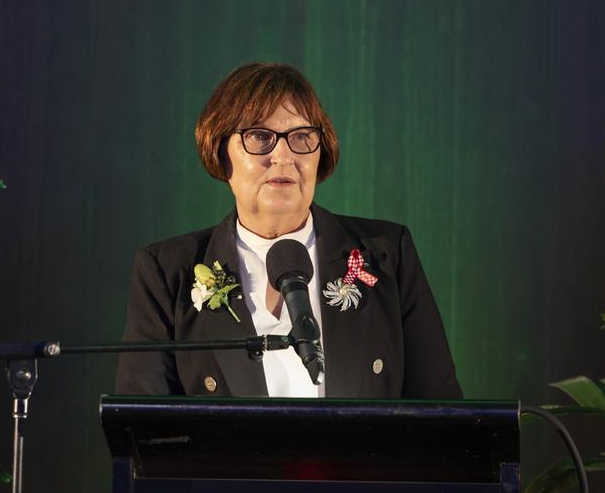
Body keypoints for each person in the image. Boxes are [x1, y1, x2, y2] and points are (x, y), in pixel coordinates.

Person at [115, 62, 461, 399]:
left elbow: (443, 414)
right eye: (259, 136)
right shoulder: (168, 273)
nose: (283, 155)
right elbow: (145, 435)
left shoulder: (385, 254)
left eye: (301, 136)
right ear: (220, 152)